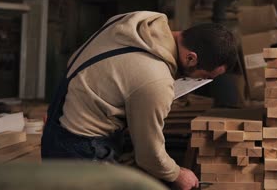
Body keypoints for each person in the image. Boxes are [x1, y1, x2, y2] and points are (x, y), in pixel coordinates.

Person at [41, 11, 237, 190]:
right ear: (191, 58)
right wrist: (178, 174)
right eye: (201, 77)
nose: (196, 81)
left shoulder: (136, 22)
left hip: (58, 123)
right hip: (81, 149)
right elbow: (149, 156)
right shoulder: (155, 79)